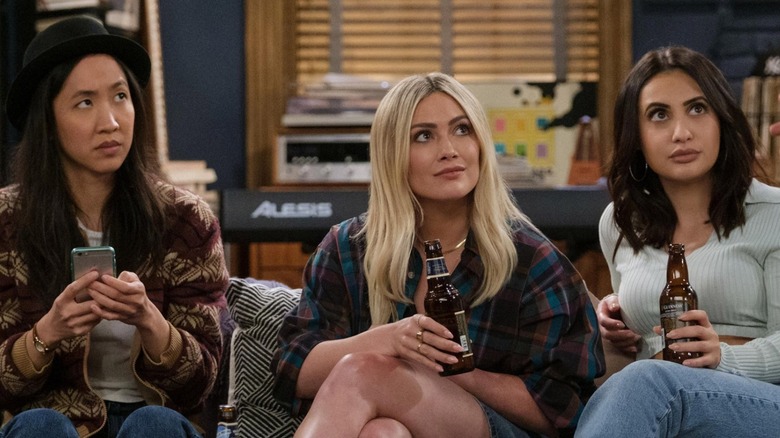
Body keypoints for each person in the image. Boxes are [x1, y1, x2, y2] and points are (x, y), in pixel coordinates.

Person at [271, 72, 604, 438]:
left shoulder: (531, 258)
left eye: (462, 130)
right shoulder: (348, 247)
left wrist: (454, 373)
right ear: (392, 153)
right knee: (383, 433)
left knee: (362, 372)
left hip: (498, 428)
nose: (450, 149)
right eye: (424, 136)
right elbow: (293, 370)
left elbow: (563, 409)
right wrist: (389, 341)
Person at [0, 16, 229, 438]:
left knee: (154, 425)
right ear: (47, 122)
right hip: (51, 420)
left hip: (154, 414)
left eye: (120, 96)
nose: (111, 121)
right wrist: (47, 333)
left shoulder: (185, 221)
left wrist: (150, 321)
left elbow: (204, 383)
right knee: (41, 427)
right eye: (85, 102)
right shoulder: (7, 222)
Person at [574, 46, 780, 437]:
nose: (681, 132)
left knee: (649, 381)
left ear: (722, 118)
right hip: (664, 399)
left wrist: (724, 355)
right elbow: (642, 349)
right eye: (659, 115)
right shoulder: (619, 223)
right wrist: (616, 331)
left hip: (765, 401)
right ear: (637, 138)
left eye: (697, 108)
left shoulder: (775, 213)